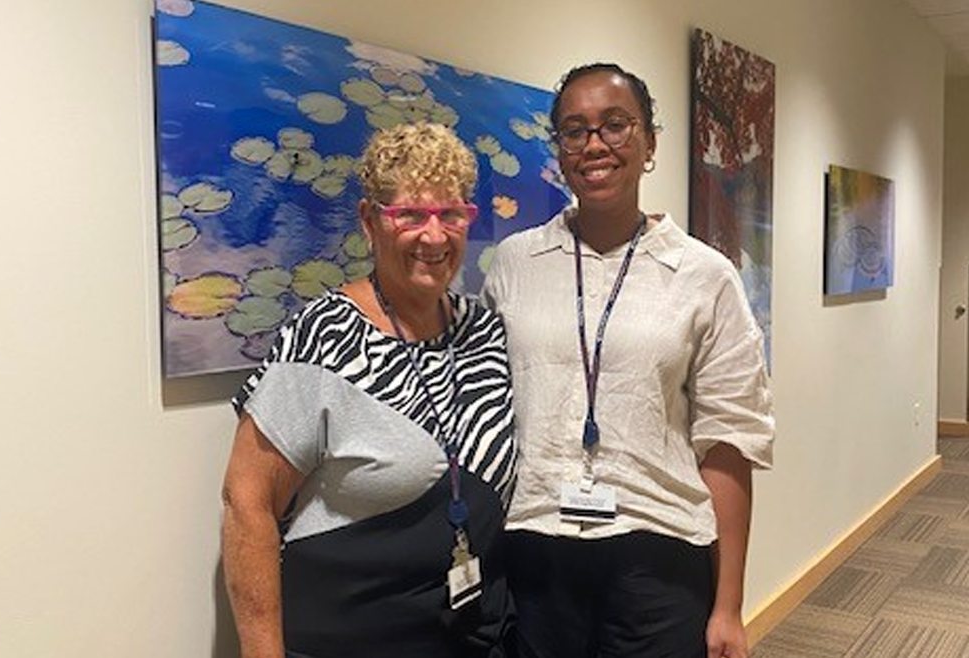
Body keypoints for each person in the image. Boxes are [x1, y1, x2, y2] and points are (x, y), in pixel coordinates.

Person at [482, 63, 774, 658]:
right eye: (574, 130)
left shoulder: (705, 276)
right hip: (536, 550)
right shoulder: (515, 263)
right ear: (559, 150)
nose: (595, 144)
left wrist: (729, 605)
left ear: (649, 143)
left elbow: (728, 441)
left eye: (615, 125)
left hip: (659, 556)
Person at [221, 122, 517, 658]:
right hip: (347, 637)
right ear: (369, 221)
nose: (434, 236)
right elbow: (247, 503)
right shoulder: (323, 335)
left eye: (451, 213)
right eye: (410, 214)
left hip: (474, 632)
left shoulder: (485, 331)